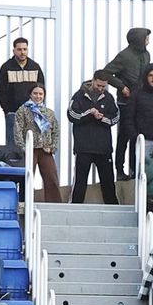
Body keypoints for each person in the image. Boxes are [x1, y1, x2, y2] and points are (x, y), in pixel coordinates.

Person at [67, 70, 119, 205]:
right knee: (80, 182)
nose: (101, 88)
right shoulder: (79, 96)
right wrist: (89, 113)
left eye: (103, 86)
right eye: (98, 85)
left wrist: (103, 118)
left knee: (108, 182)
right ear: (93, 80)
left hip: (103, 148)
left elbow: (116, 116)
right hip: (83, 147)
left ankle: (113, 209)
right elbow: (72, 115)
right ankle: (75, 208)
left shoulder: (109, 98)